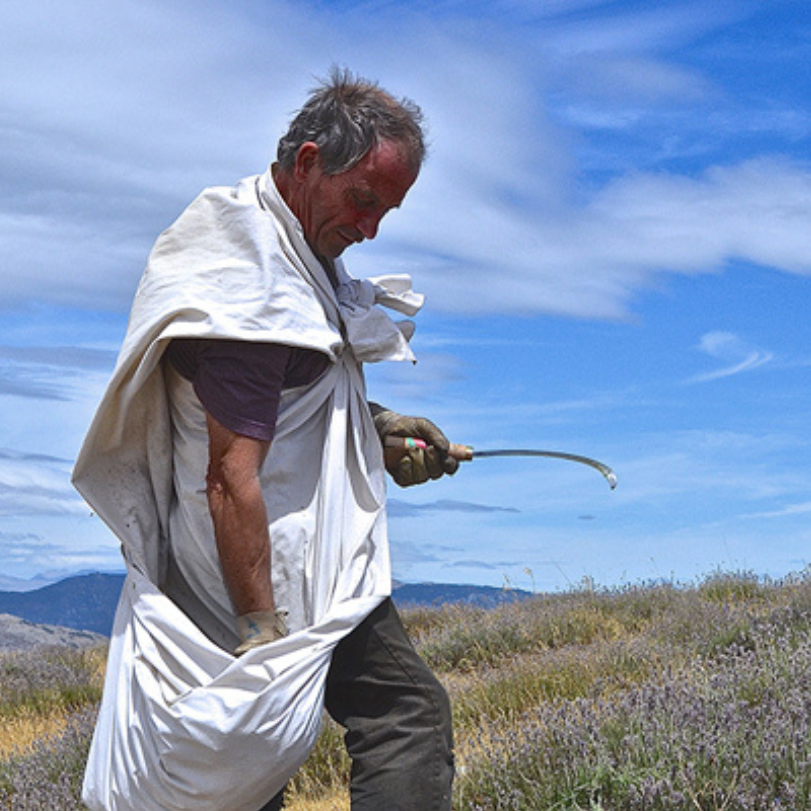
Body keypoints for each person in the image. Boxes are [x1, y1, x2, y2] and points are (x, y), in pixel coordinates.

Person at [74, 69, 457, 811]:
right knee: (401, 715)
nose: (371, 227)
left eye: (387, 210)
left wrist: (377, 430)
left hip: (249, 556)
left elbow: (278, 408)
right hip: (271, 565)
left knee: (250, 767)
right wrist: (262, 636)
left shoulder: (268, 245)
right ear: (309, 162)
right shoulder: (255, 286)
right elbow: (231, 475)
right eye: (364, 200)